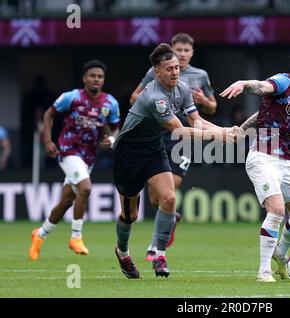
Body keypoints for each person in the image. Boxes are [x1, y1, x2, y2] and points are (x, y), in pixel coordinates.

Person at [113, 43, 236, 279]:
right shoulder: (154, 98)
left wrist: (225, 130)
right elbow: (179, 131)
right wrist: (220, 135)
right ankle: (123, 251)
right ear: (156, 72)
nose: (175, 72)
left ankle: (159, 255)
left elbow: (196, 122)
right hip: (128, 154)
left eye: (177, 68)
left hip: (153, 150)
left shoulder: (182, 88)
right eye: (169, 69)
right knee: (130, 216)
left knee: (168, 199)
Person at [220, 44, 290, 282]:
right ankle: (264, 271)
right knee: (276, 209)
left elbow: (264, 113)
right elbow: (264, 87)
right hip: (263, 156)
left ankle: (281, 252)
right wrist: (245, 84)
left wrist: (242, 127)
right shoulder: (284, 82)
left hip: (287, 162)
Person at [130, 33, 218, 262]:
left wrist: (203, 102)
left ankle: (154, 246)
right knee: (155, 197)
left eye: (187, 51)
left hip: (183, 139)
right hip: (157, 137)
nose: (182, 54)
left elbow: (212, 107)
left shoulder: (200, 76)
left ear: (192, 52)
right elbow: (134, 97)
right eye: (179, 50)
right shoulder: (156, 73)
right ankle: (171, 217)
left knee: (172, 186)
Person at [28, 60, 120, 260]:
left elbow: (114, 127)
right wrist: (48, 141)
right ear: (84, 78)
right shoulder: (71, 97)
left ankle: (40, 234)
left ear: (103, 80)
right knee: (86, 188)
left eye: (100, 76)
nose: (96, 79)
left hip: (88, 157)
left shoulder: (110, 103)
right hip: (68, 151)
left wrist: (111, 139)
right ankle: (76, 237)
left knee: (67, 201)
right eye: (92, 76)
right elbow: (48, 114)